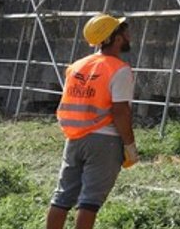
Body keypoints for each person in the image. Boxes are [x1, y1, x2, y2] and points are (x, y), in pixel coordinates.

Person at [47, 13, 138, 229]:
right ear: (116, 39)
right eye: (125, 33)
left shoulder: (77, 66)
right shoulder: (119, 69)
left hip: (74, 139)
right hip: (104, 141)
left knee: (62, 197)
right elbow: (120, 112)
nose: (129, 36)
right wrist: (130, 145)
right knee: (90, 202)